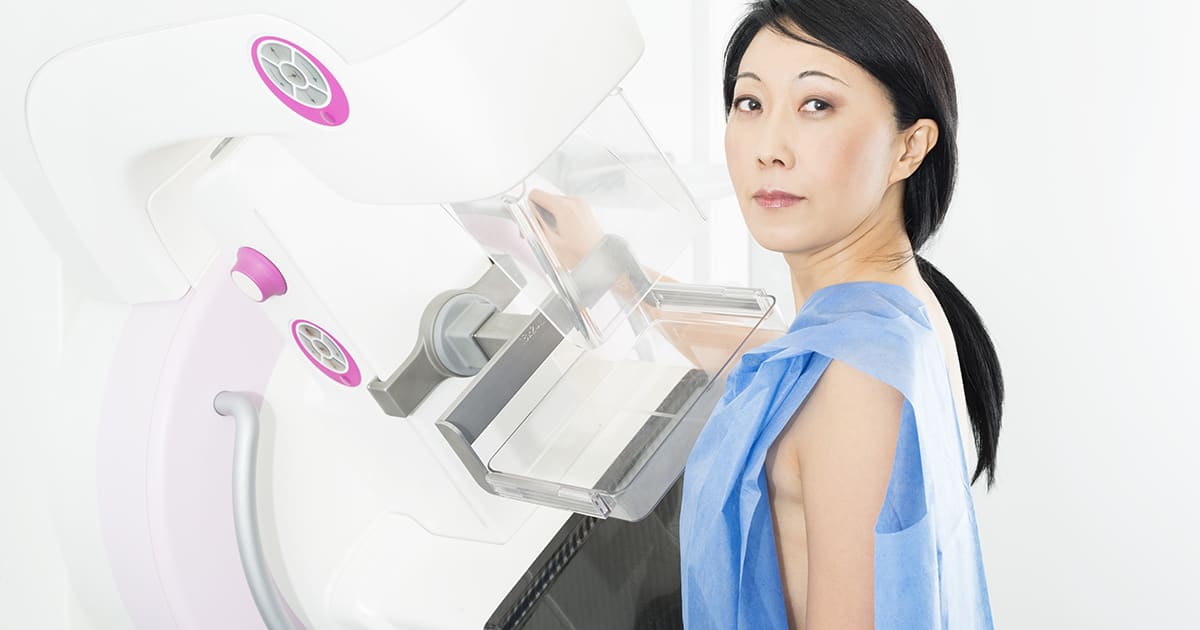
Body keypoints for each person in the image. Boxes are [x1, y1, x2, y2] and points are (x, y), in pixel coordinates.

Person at [531, 0, 1002, 627]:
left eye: (817, 106)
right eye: (750, 103)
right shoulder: (891, 310)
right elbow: (773, 362)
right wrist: (609, 265)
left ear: (909, 148)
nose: (769, 149)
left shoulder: (860, 382)